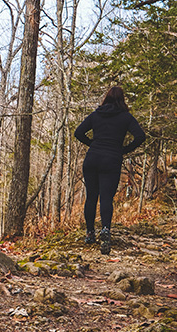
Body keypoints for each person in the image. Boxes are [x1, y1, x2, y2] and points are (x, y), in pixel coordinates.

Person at [74, 86, 145, 255]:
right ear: (122, 99)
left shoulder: (96, 115)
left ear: (106, 98)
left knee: (91, 196)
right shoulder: (126, 117)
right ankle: (105, 230)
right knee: (106, 197)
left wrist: (93, 144)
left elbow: (78, 133)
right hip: (111, 159)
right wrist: (124, 150)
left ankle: (90, 233)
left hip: (92, 159)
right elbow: (140, 136)